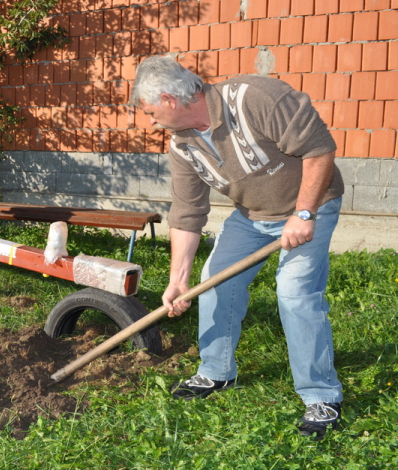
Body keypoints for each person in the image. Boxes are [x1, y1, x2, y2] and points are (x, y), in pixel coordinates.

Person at [129, 56, 344, 440]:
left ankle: (321, 395)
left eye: (150, 112)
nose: (151, 121)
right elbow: (187, 213)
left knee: (295, 293)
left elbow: (320, 149)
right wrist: (178, 281)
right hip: (252, 215)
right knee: (213, 281)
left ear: (170, 99)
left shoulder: (254, 98)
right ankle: (215, 373)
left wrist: (304, 213)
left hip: (310, 206)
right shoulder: (182, 145)